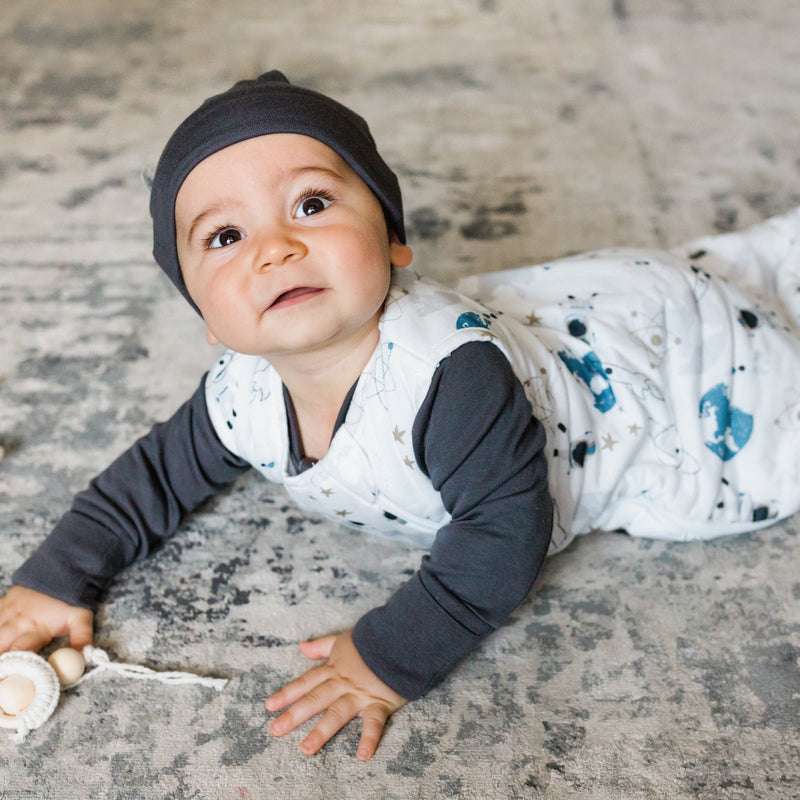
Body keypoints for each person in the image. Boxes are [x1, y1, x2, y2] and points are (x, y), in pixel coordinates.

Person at [1, 71, 798, 761]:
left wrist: (387, 657)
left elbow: (503, 533)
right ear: (207, 315)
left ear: (393, 242)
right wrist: (56, 578)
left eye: (311, 203)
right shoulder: (238, 390)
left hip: (650, 372)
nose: (274, 248)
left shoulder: (450, 377)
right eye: (226, 235)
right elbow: (148, 481)